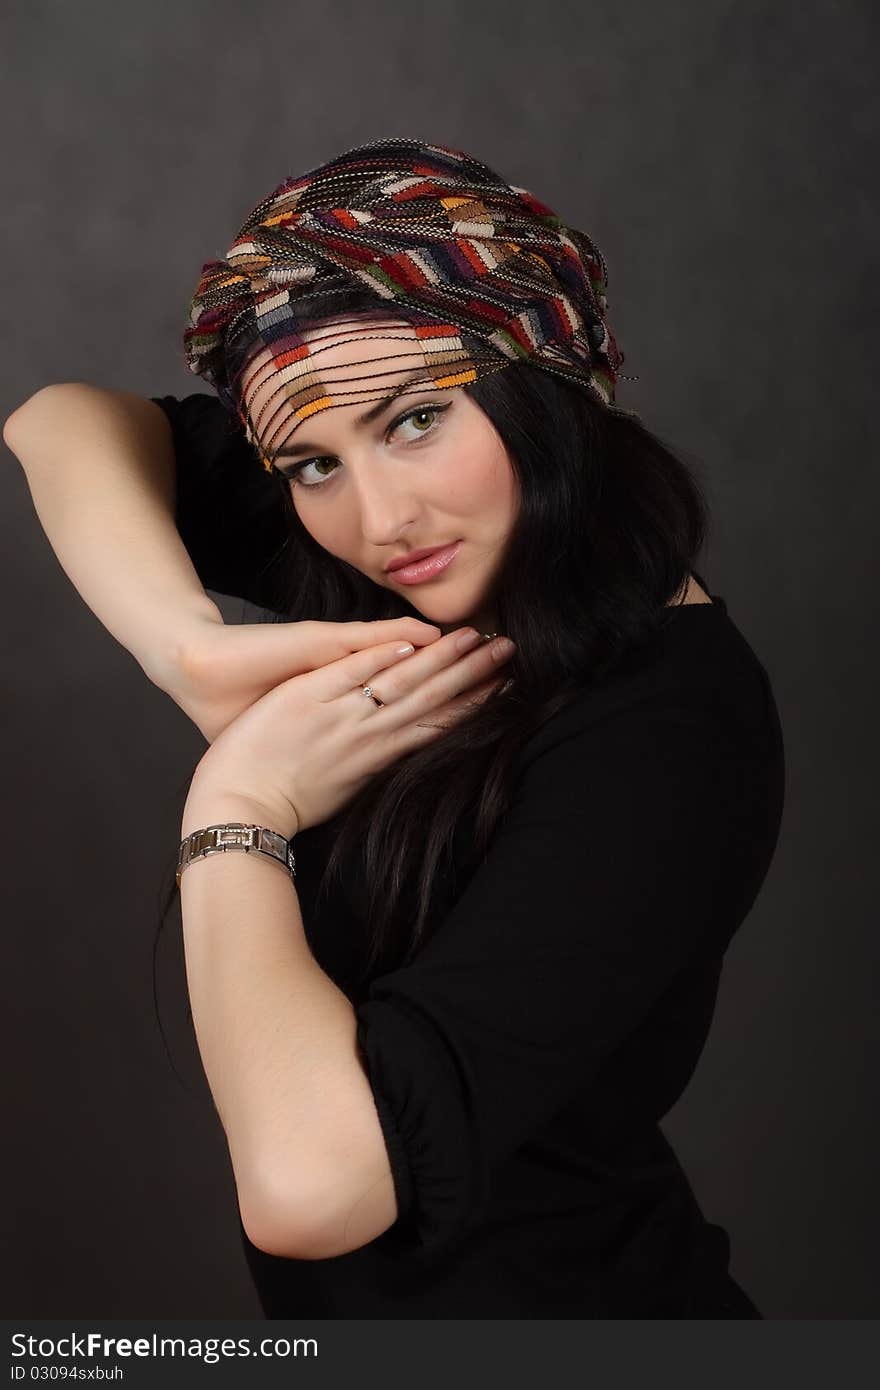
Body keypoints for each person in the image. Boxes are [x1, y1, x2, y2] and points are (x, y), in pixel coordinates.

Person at [5, 138, 784, 1318]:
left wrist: (236, 810)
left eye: (418, 421)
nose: (378, 518)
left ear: (547, 379)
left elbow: (313, 1192)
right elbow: (59, 424)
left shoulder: (666, 728)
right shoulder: (415, 560)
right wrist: (187, 648)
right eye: (309, 463)